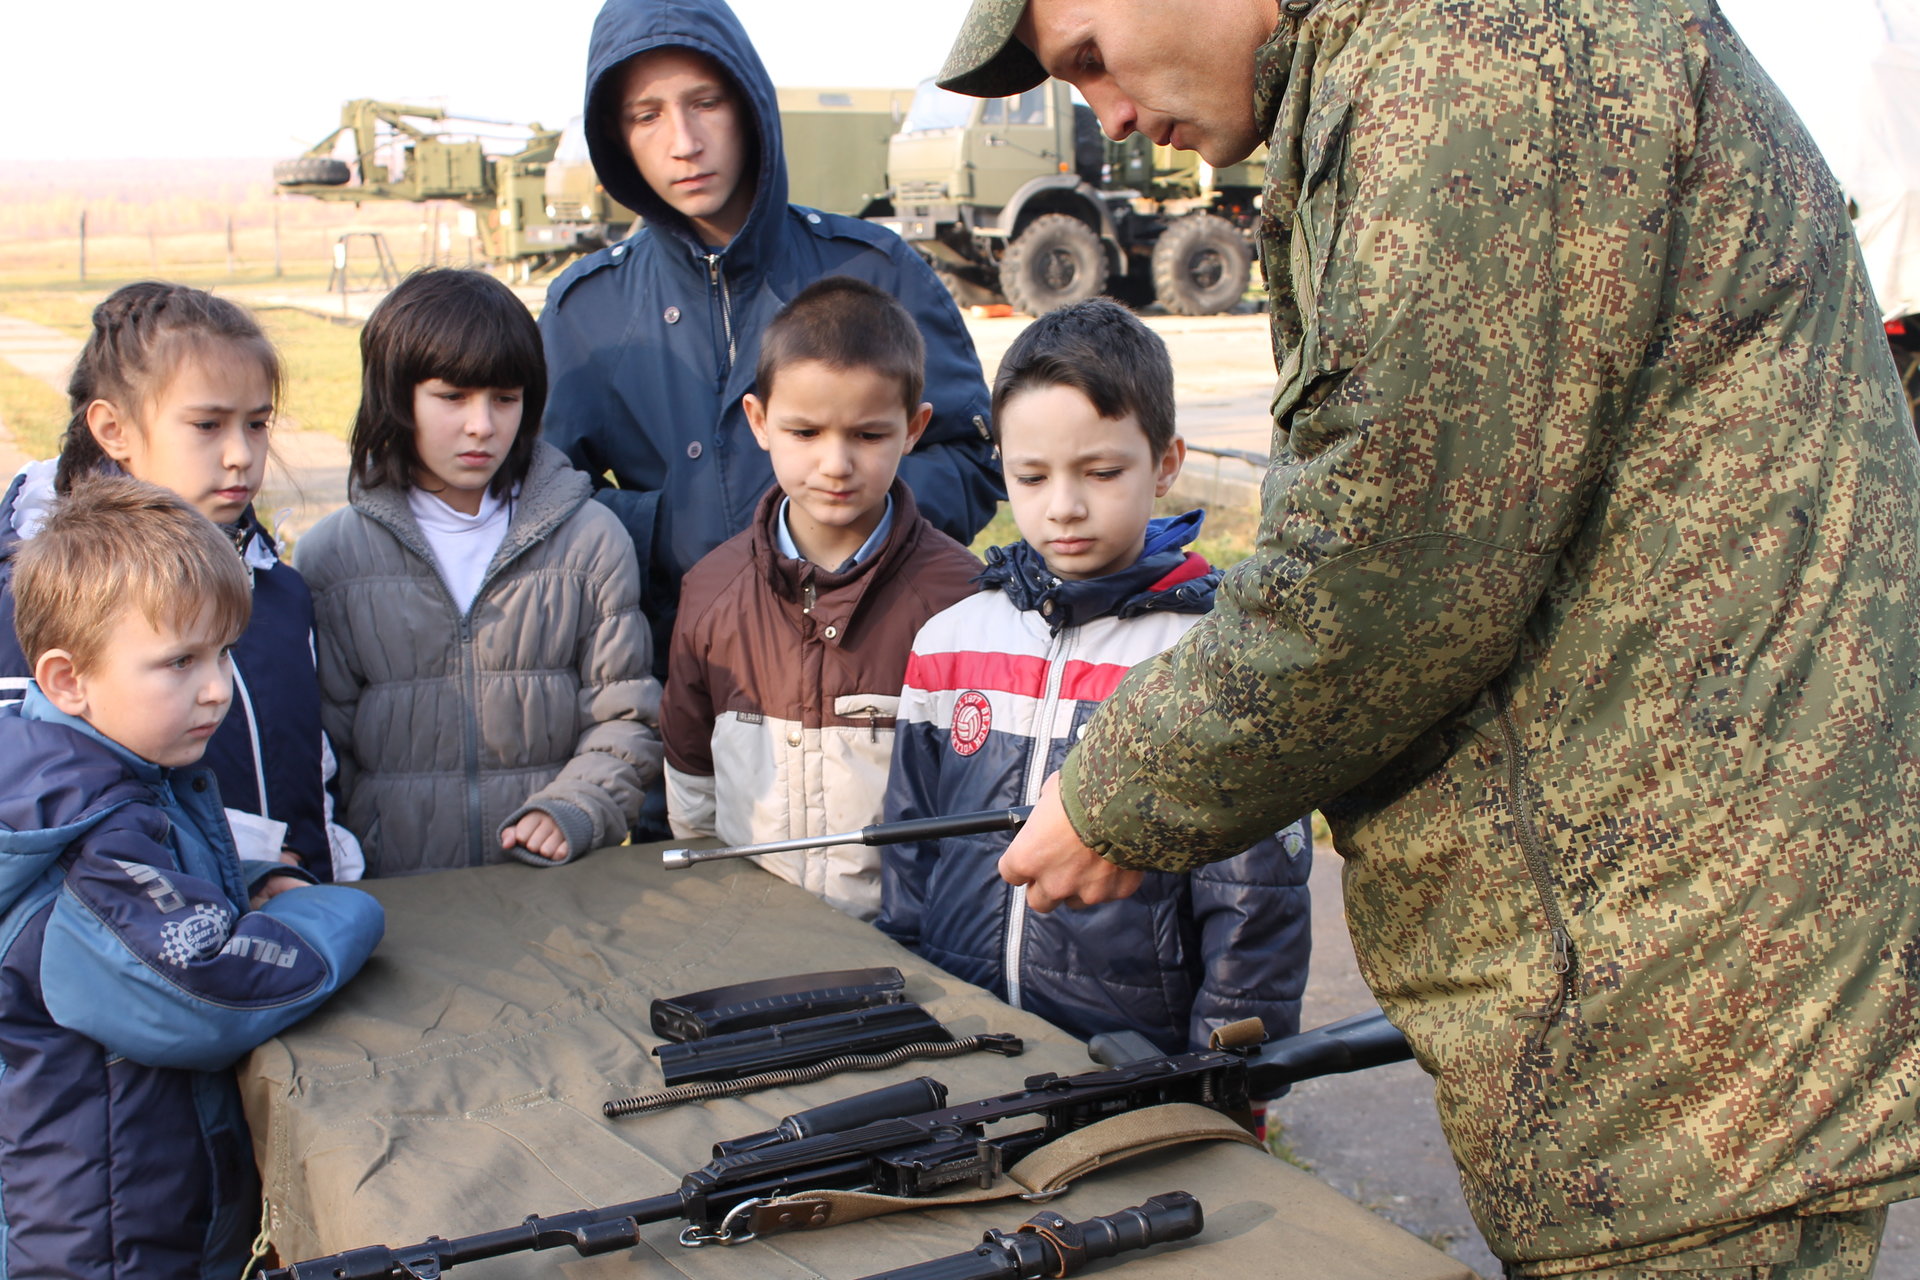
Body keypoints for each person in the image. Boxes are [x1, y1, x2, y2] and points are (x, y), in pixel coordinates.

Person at [942, 0, 1920, 1275]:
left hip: (1687, 1025)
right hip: (1660, 988)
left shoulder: (1475, 54)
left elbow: (1386, 562)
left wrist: (1115, 794)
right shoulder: (1417, 57)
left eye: (1088, 57)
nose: (1108, 115)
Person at [878, 299, 1311, 1058]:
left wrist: (1229, 1075)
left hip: (1133, 1063)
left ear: (1166, 463)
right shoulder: (949, 641)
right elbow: (909, 854)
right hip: (960, 1045)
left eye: (1102, 472)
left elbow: (1255, 901)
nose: (1065, 507)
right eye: (1031, 476)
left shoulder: (1212, 662)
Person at [539, 0, 1003, 684]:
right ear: (615, 135)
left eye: (706, 103)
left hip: (870, 677)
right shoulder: (586, 309)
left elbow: (972, 454)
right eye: (647, 115)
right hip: (673, 680)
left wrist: (847, 523)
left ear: (750, 102)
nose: (684, 142)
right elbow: (539, 501)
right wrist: (665, 527)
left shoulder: (875, 268)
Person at [0, 474, 384, 1277]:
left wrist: (250, 875)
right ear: (68, 679)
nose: (216, 689)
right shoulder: (89, 843)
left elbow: (160, 880)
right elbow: (207, 993)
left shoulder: (116, 774)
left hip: (145, 1196)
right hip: (107, 1240)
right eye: (179, 661)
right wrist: (337, 915)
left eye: (223, 653)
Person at [296, 269, 661, 877]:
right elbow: (321, 750)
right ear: (395, 395)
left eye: (505, 398)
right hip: (397, 897)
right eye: (452, 397)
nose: (483, 426)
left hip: (553, 888)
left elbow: (626, 716)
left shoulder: (590, 541)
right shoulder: (332, 557)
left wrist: (577, 807)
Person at [0, 282, 356, 880]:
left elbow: (309, 765)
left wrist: (325, 865)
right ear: (113, 428)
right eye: (207, 424)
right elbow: (30, 804)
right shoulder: (41, 599)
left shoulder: (280, 590)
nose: (241, 454)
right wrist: (239, 860)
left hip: (300, 908)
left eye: (257, 423)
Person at [660, 277, 982, 920]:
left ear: (914, 428)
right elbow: (692, 784)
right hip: (751, 934)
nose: (836, 464)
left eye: (867, 435)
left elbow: (979, 799)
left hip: (908, 944)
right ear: (758, 421)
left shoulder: (961, 601)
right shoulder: (711, 593)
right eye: (805, 432)